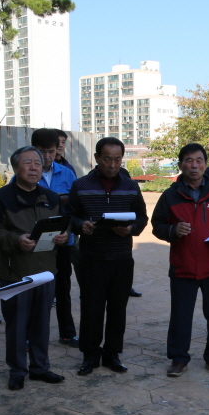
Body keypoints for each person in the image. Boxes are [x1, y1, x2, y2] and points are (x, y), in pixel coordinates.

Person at [63, 137, 148, 376]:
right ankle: (90, 355)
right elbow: (69, 216)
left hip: (122, 258)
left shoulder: (130, 186)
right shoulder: (81, 185)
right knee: (91, 308)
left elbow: (142, 218)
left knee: (118, 308)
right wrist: (82, 226)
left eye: (118, 159)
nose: (113, 164)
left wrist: (131, 229)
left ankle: (112, 354)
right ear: (97, 158)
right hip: (92, 257)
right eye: (108, 159)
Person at [152, 143, 209, 377]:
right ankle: (179, 358)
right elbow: (156, 225)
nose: (194, 165)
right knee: (181, 315)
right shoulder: (170, 195)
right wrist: (172, 231)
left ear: (205, 164)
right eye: (189, 160)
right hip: (183, 266)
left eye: (199, 160)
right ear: (180, 165)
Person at [0, 146, 69, 390]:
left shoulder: (51, 197)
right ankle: (17, 370)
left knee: (41, 322)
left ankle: (40, 368)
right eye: (27, 162)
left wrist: (65, 235)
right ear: (15, 167)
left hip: (45, 272)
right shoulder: (0, 198)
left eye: (37, 162)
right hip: (16, 272)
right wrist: (16, 240)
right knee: (16, 324)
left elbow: (63, 225)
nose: (34, 167)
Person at [32, 128, 80, 347]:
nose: (47, 156)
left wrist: (68, 231)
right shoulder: (26, 174)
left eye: (51, 151)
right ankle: (31, 336)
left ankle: (67, 333)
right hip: (35, 244)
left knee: (63, 289)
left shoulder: (67, 173)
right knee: (36, 290)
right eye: (42, 151)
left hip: (62, 241)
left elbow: (75, 208)